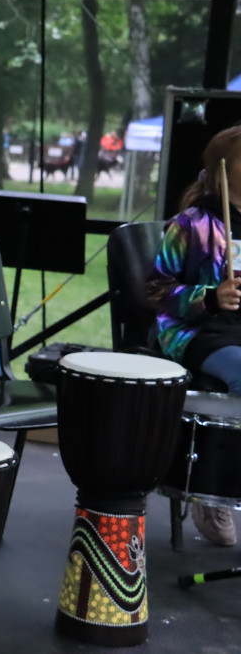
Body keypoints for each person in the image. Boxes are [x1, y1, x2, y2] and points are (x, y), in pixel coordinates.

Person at [147, 125, 241, 547]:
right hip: (197, 331)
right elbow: (157, 289)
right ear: (222, 171)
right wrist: (211, 296)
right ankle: (216, 488)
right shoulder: (192, 223)